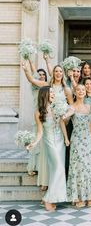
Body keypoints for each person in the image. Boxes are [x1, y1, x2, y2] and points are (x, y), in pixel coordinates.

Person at [27, 86, 69, 212]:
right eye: (50, 92)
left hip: (60, 141)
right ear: (44, 95)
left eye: (53, 92)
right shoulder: (38, 112)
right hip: (49, 141)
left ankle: (54, 198)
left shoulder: (56, 107)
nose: (53, 94)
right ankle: (47, 199)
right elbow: (40, 132)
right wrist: (33, 143)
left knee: (59, 169)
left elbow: (62, 123)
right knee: (58, 168)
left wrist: (66, 138)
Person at [63, 84, 91, 208]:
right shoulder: (71, 107)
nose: (81, 91)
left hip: (88, 139)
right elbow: (64, 120)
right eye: (78, 90)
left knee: (89, 166)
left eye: (83, 90)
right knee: (78, 167)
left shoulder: (88, 107)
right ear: (75, 92)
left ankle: (89, 196)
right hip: (77, 140)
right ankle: (78, 197)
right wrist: (66, 115)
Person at [21, 59, 49, 192]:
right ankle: (33, 167)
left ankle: (41, 168)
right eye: (40, 74)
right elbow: (32, 76)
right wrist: (29, 65)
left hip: (47, 115)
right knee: (36, 142)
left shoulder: (46, 86)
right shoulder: (35, 85)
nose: (42, 76)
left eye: (44, 74)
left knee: (43, 144)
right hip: (38, 115)